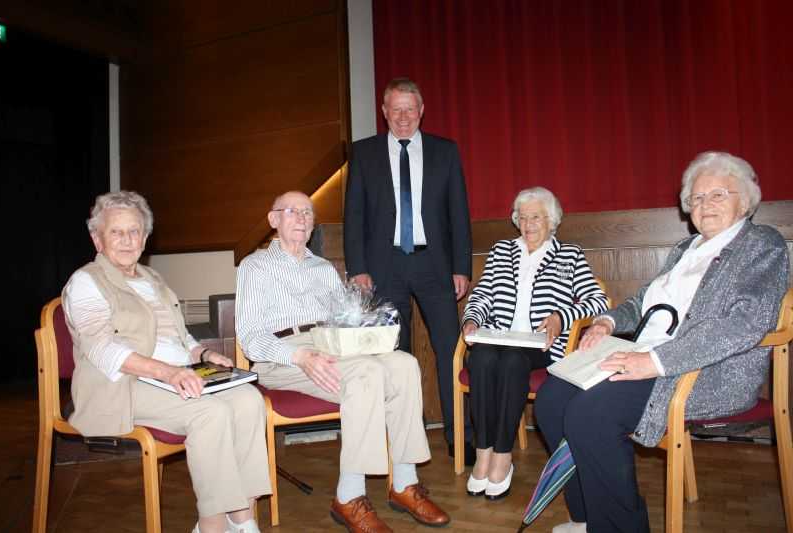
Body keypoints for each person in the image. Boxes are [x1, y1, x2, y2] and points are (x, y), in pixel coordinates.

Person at [534, 151, 790, 533]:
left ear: (746, 200)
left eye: (718, 194)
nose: (706, 205)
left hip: (701, 372)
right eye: (698, 198)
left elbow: (746, 322)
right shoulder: (684, 250)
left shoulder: (761, 244)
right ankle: (588, 516)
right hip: (644, 357)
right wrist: (606, 322)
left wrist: (655, 361)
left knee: (591, 413)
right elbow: (643, 304)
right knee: (553, 399)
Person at [236, 191, 450, 533]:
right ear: (273, 220)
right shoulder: (255, 266)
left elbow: (342, 322)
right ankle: (349, 495)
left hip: (332, 347)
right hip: (282, 356)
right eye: (292, 211)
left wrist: (365, 327)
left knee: (404, 364)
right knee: (365, 373)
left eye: (308, 213)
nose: (302, 219)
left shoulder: (324, 268)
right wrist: (300, 356)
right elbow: (249, 337)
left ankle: (404, 483)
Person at [62, 191, 270, 533]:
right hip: (122, 386)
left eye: (135, 231)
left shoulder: (152, 280)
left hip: (174, 377)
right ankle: (211, 525)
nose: (128, 240)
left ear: (145, 237)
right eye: (116, 232)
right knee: (209, 412)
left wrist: (202, 355)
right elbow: (100, 348)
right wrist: (167, 372)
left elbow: (179, 337)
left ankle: (243, 519)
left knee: (249, 401)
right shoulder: (85, 282)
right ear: (97, 239)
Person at [343, 77, 473, 461]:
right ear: (384, 113)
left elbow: (458, 214)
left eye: (410, 109)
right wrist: (358, 268)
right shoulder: (364, 153)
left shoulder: (444, 152)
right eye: (395, 109)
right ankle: (401, 442)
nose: (403, 117)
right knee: (393, 357)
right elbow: (354, 216)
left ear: (421, 112)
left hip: (435, 265)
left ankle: (459, 437)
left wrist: (461, 266)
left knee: (450, 350)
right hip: (383, 268)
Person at [461, 187, 608, 500]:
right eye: (523, 217)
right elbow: (482, 294)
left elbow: (597, 301)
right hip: (497, 337)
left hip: (539, 347)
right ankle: (483, 450)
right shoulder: (502, 251)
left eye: (536, 217)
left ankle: (502, 454)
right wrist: (472, 320)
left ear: (551, 220)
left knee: (512, 361)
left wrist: (560, 316)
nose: (529, 224)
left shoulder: (569, 255)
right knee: (481, 359)